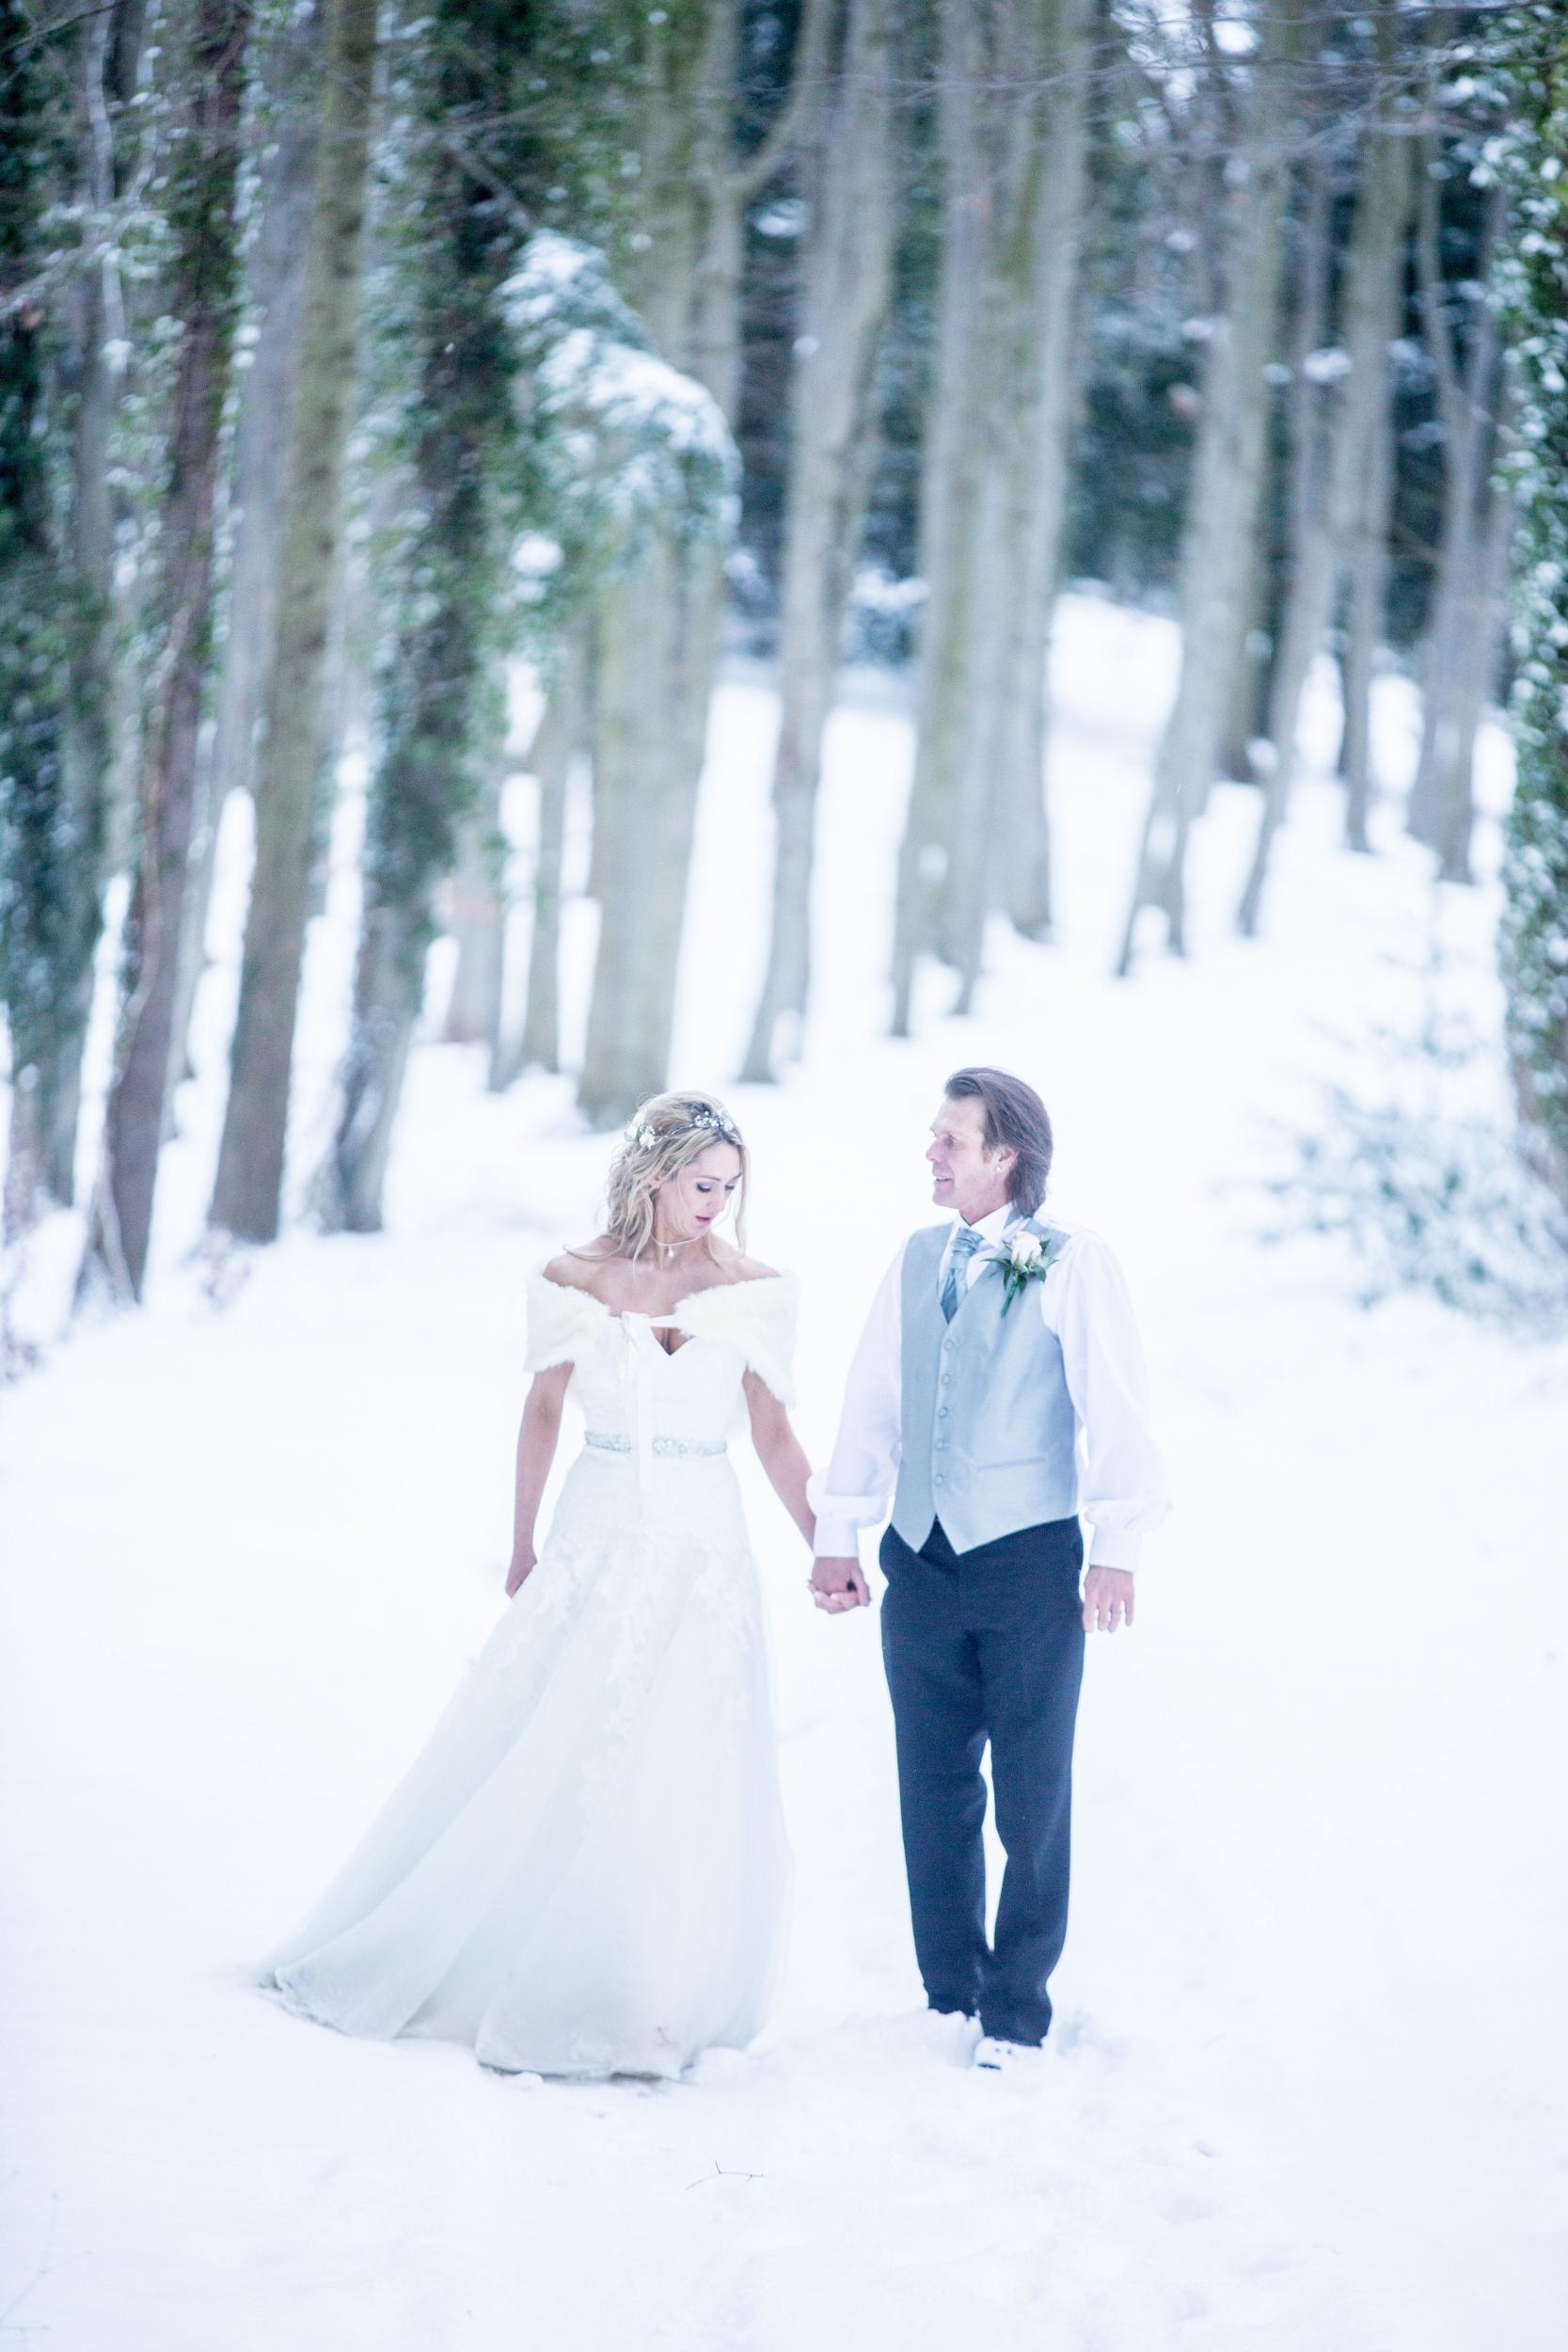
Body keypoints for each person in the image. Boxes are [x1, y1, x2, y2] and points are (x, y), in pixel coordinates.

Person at [253, 1090, 814, 2080]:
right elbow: (542, 1411)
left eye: (729, 1187)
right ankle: (510, 1954)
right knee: (560, 1738)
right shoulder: (573, 1277)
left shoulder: (754, 1287)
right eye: (699, 1184)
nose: (715, 1206)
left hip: (702, 1544)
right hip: (595, 1528)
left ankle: (652, 1996)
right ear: (652, 1174)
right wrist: (520, 1543)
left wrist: (825, 1542)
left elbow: (770, 1430)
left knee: (679, 1754)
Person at [809, 1067, 1169, 2072]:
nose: (930, 1152)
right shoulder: (916, 1256)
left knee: (1029, 1791)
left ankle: (1015, 2007)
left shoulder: (1070, 1260)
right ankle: (947, 1990)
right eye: (932, 1136)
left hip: (1025, 1563)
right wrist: (839, 1529)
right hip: (917, 1561)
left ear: (1004, 1155)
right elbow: (871, 1402)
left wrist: (1117, 1549)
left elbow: (1116, 1409)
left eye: (948, 1140)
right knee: (929, 1787)